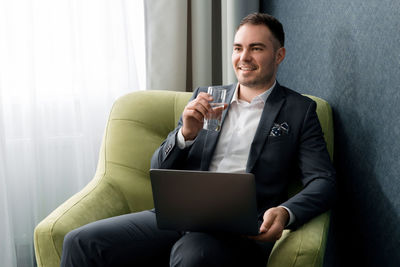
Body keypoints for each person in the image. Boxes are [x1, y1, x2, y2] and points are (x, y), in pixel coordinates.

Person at [60, 13, 336, 267]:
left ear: (279, 55)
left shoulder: (298, 111)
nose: (244, 57)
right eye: (238, 48)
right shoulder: (207, 97)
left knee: (191, 255)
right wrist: (185, 135)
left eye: (257, 48)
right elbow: (160, 169)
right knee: (80, 242)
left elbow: (323, 181)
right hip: (178, 217)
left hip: (237, 232)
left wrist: (286, 212)